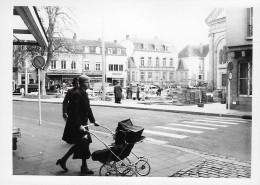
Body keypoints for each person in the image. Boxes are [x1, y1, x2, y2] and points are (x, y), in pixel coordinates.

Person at [57, 75, 99, 175]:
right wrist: (79, 125)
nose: (89, 84)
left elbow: (88, 108)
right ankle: (83, 167)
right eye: (87, 82)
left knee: (83, 143)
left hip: (83, 123)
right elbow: (73, 112)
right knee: (84, 143)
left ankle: (64, 160)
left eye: (89, 82)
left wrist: (93, 121)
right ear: (81, 83)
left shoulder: (84, 93)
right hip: (77, 124)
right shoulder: (77, 94)